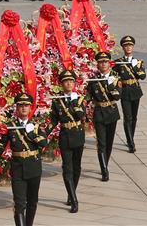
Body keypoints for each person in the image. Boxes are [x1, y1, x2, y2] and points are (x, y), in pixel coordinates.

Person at [0, 93, 48, 226]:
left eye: (26, 105)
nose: (24, 108)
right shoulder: (11, 126)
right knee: (19, 204)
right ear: (17, 108)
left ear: (31, 108)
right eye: (21, 105)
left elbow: (44, 143)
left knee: (32, 202)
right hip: (18, 167)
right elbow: (1, 146)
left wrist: (31, 134)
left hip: (33, 167)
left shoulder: (36, 125)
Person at [50, 70, 85, 214]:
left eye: (71, 81)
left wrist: (75, 101)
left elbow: (81, 115)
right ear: (62, 84)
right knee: (67, 168)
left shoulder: (80, 98)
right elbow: (53, 121)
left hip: (77, 135)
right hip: (65, 136)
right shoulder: (57, 101)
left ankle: (71, 193)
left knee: (77, 168)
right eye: (66, 81)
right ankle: (74, 200)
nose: (69, 83)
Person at [87, 51, 121, 181]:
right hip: (99, 112)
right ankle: (104, 170)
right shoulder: (94, 79)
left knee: (109, 142)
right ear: (98, 64)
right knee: (101, 143)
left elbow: (117, 96)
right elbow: (89, 96)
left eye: (105, 62)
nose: (103, 64)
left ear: (109, 63)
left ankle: (105, 163)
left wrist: (111, 85)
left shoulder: (115, 77)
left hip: (111, 111)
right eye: (101, 62)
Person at [115, 35, 146, 152]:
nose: (128, 48)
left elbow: (142, 76)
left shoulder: (138, 62)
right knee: (127, 117)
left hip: (135, 90)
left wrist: (135, 67)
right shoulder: (118, 63)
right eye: (126, 46)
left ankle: (131, 136)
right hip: (125, 91)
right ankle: (130, 142)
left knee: (134, 117)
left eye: (130, 46)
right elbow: (113, 76)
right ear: (123, 48)